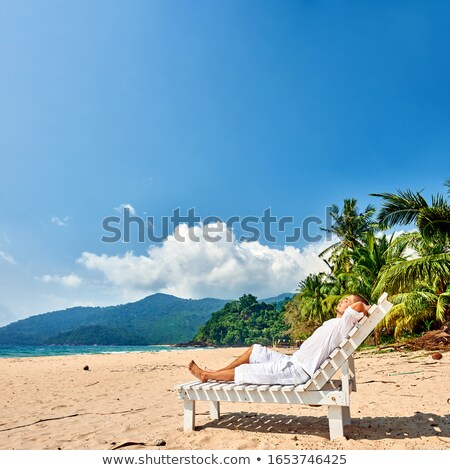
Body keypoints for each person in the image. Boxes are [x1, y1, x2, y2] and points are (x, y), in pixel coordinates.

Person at [188, 294, 371, 385]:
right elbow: (355, 307)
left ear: (352, 311)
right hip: (292, 362)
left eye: (346, 300)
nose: (341, 300)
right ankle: (218, 371)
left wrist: (365, 305)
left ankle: (207, 375)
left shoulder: (345, 323)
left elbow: (360, 306)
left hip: (297, 371)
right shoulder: (335, 323)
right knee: (256, 349)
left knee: (245, 370)